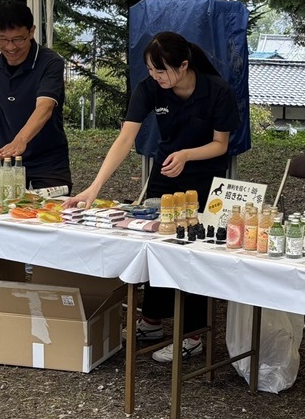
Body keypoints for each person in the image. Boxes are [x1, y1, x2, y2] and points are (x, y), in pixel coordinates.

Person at [63, 32, 240, 363]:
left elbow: (221, 144)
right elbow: (125, 138)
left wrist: (187, 154)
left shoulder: (217, 91)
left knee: (192, 252)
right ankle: (152, 321)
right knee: (155, 245)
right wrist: (94, 187)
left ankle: (193, 334)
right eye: (150, 70)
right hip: (165, 175)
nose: (155, 77)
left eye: (161, 71)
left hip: (205, 180)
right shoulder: (148, 89)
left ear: (183, 66)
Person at [0, 2, 71, 190]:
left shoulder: (50, 62)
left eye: (18, 39)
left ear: (31, 32)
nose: (10, 47)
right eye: (2, 39)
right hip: (5, 155)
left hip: (48, 157)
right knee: (2, 210)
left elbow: (45, 107)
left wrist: (20, 140)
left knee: (53, 214)